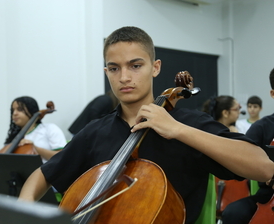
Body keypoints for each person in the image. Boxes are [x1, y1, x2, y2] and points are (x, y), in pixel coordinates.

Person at [18, 27, 274, 224]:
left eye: (135, 65)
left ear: (155, 67)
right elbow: (42, 175)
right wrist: (25, 212)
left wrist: (179, 130)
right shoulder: (96, 132)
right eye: (114, 68)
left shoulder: (188, 124)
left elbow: (263, 168)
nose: (124, 77)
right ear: (106, 72)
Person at [222, 68, 274, 224]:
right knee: (234, 213)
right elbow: (240, 159)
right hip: (269, 195)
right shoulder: (262, 127)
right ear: (273, 94)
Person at [1, 96, 67, 162]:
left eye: (20, 109)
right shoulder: (14, 137)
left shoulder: (49, 128)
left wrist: (35, 148)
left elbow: (63, 158)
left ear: (31, 110)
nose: (15, 113)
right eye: (13, 110)